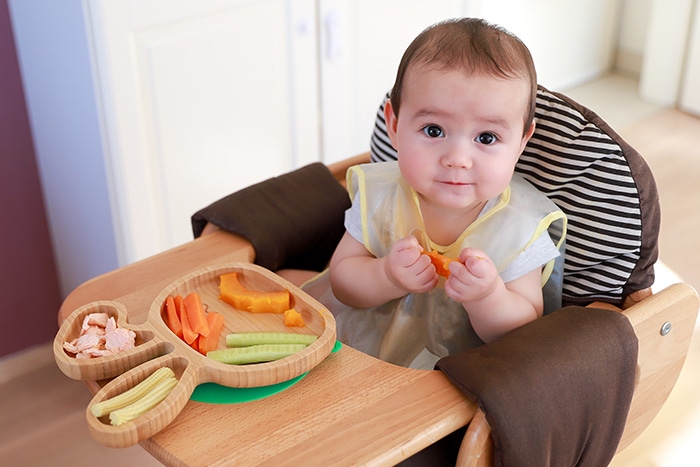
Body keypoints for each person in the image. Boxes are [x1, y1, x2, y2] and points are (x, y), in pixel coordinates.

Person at [305, 17, 566, 369]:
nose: (457, 159)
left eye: (486, 138)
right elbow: (343, 281)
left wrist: (488, 297)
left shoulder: (518, 229)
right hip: (359, 350)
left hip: (453, 375)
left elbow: (523, 327)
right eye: (433, 130)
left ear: (522, 141)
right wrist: (386, 275)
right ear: (394, 126)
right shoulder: (381, 196)